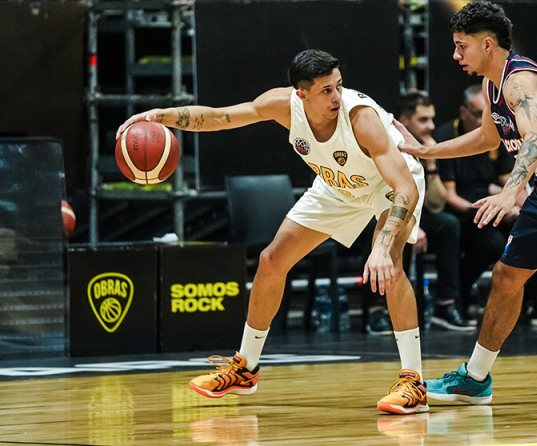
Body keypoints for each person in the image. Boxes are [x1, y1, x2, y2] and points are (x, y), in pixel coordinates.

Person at [117, 49, 429, 415]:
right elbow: (220, 117)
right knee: (271, 260)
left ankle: (414, 382)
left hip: (389, 183)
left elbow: (405, 187)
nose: (336, 96)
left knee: (390, 263)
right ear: (301, 93)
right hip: (338, 184)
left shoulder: (361, 119)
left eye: (339, 86)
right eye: (326, 90)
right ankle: (245, 368)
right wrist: (159, 116)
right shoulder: (282, 105)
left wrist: (380, 247)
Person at [395, 1, 537, 418]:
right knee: (506, 276)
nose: (455, 55)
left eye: (462, 46)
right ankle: (475, 379)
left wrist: (509, 192)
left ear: (487, 44)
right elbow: (488, 138)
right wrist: (429, 150)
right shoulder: (492, 84)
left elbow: (534, 139)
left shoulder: (520, 82)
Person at [433, 84, 518, 321]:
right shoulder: (446, 137)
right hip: (461, 208)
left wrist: (521, 205)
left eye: (488, 114)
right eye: (478, 114)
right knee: (492, 243)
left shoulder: (497, 133)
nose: (484, 120)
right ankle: (457, 293)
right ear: (463, 112)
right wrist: (487, 210)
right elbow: (449, 196)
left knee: (528, 226)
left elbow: (508, 179)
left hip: (488, 203)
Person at [396, 91, 473, 331]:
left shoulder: (431, 145)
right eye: (423, 120)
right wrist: (412, 226)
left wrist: (430, 163)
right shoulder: (390, 144)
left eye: (432, 119)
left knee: (448, 224)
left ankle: (445, 304)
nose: (431, 126)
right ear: (405, 121)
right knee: (386, 232)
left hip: (418, 212)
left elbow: (437, 204)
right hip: (387, 212)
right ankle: (381, 309)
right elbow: (385, 196)